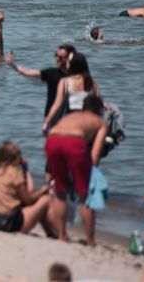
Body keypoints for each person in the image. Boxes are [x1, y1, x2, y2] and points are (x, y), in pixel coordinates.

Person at [45, 94, 108, 246]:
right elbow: (94, 158)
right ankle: (90, 240)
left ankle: (61, 236)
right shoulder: (100, 122)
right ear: (99, 110)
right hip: (74, 143)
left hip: (52, 140)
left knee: (60, 191)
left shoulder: (71, 115)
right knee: (84, 196)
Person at [0, 141, 52, 235]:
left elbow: (29, 193)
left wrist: (25, 169)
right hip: (8, 224)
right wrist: (43, 190)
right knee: (46, 199)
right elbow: (29, 200)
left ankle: (50, 233)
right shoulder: (14, 172)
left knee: (32, 200)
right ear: (16, 158)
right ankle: (51, 233)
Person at [7, 44, 76, 126]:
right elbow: (27, 72)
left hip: (70, 117)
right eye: (56, 55)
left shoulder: (78, 77)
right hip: (52, 116)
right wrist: (12, 64)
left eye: (60, 57)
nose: (57, 59)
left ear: (70, 58)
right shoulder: (51, 73)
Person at [43, 53, 98, 134]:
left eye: (68, 61)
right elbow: (98, 103)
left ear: (72, 64)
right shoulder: (91, 82)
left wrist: (46, 122)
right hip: (88, 122)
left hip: (70, 121)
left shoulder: (65, 82)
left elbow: (57, 104)